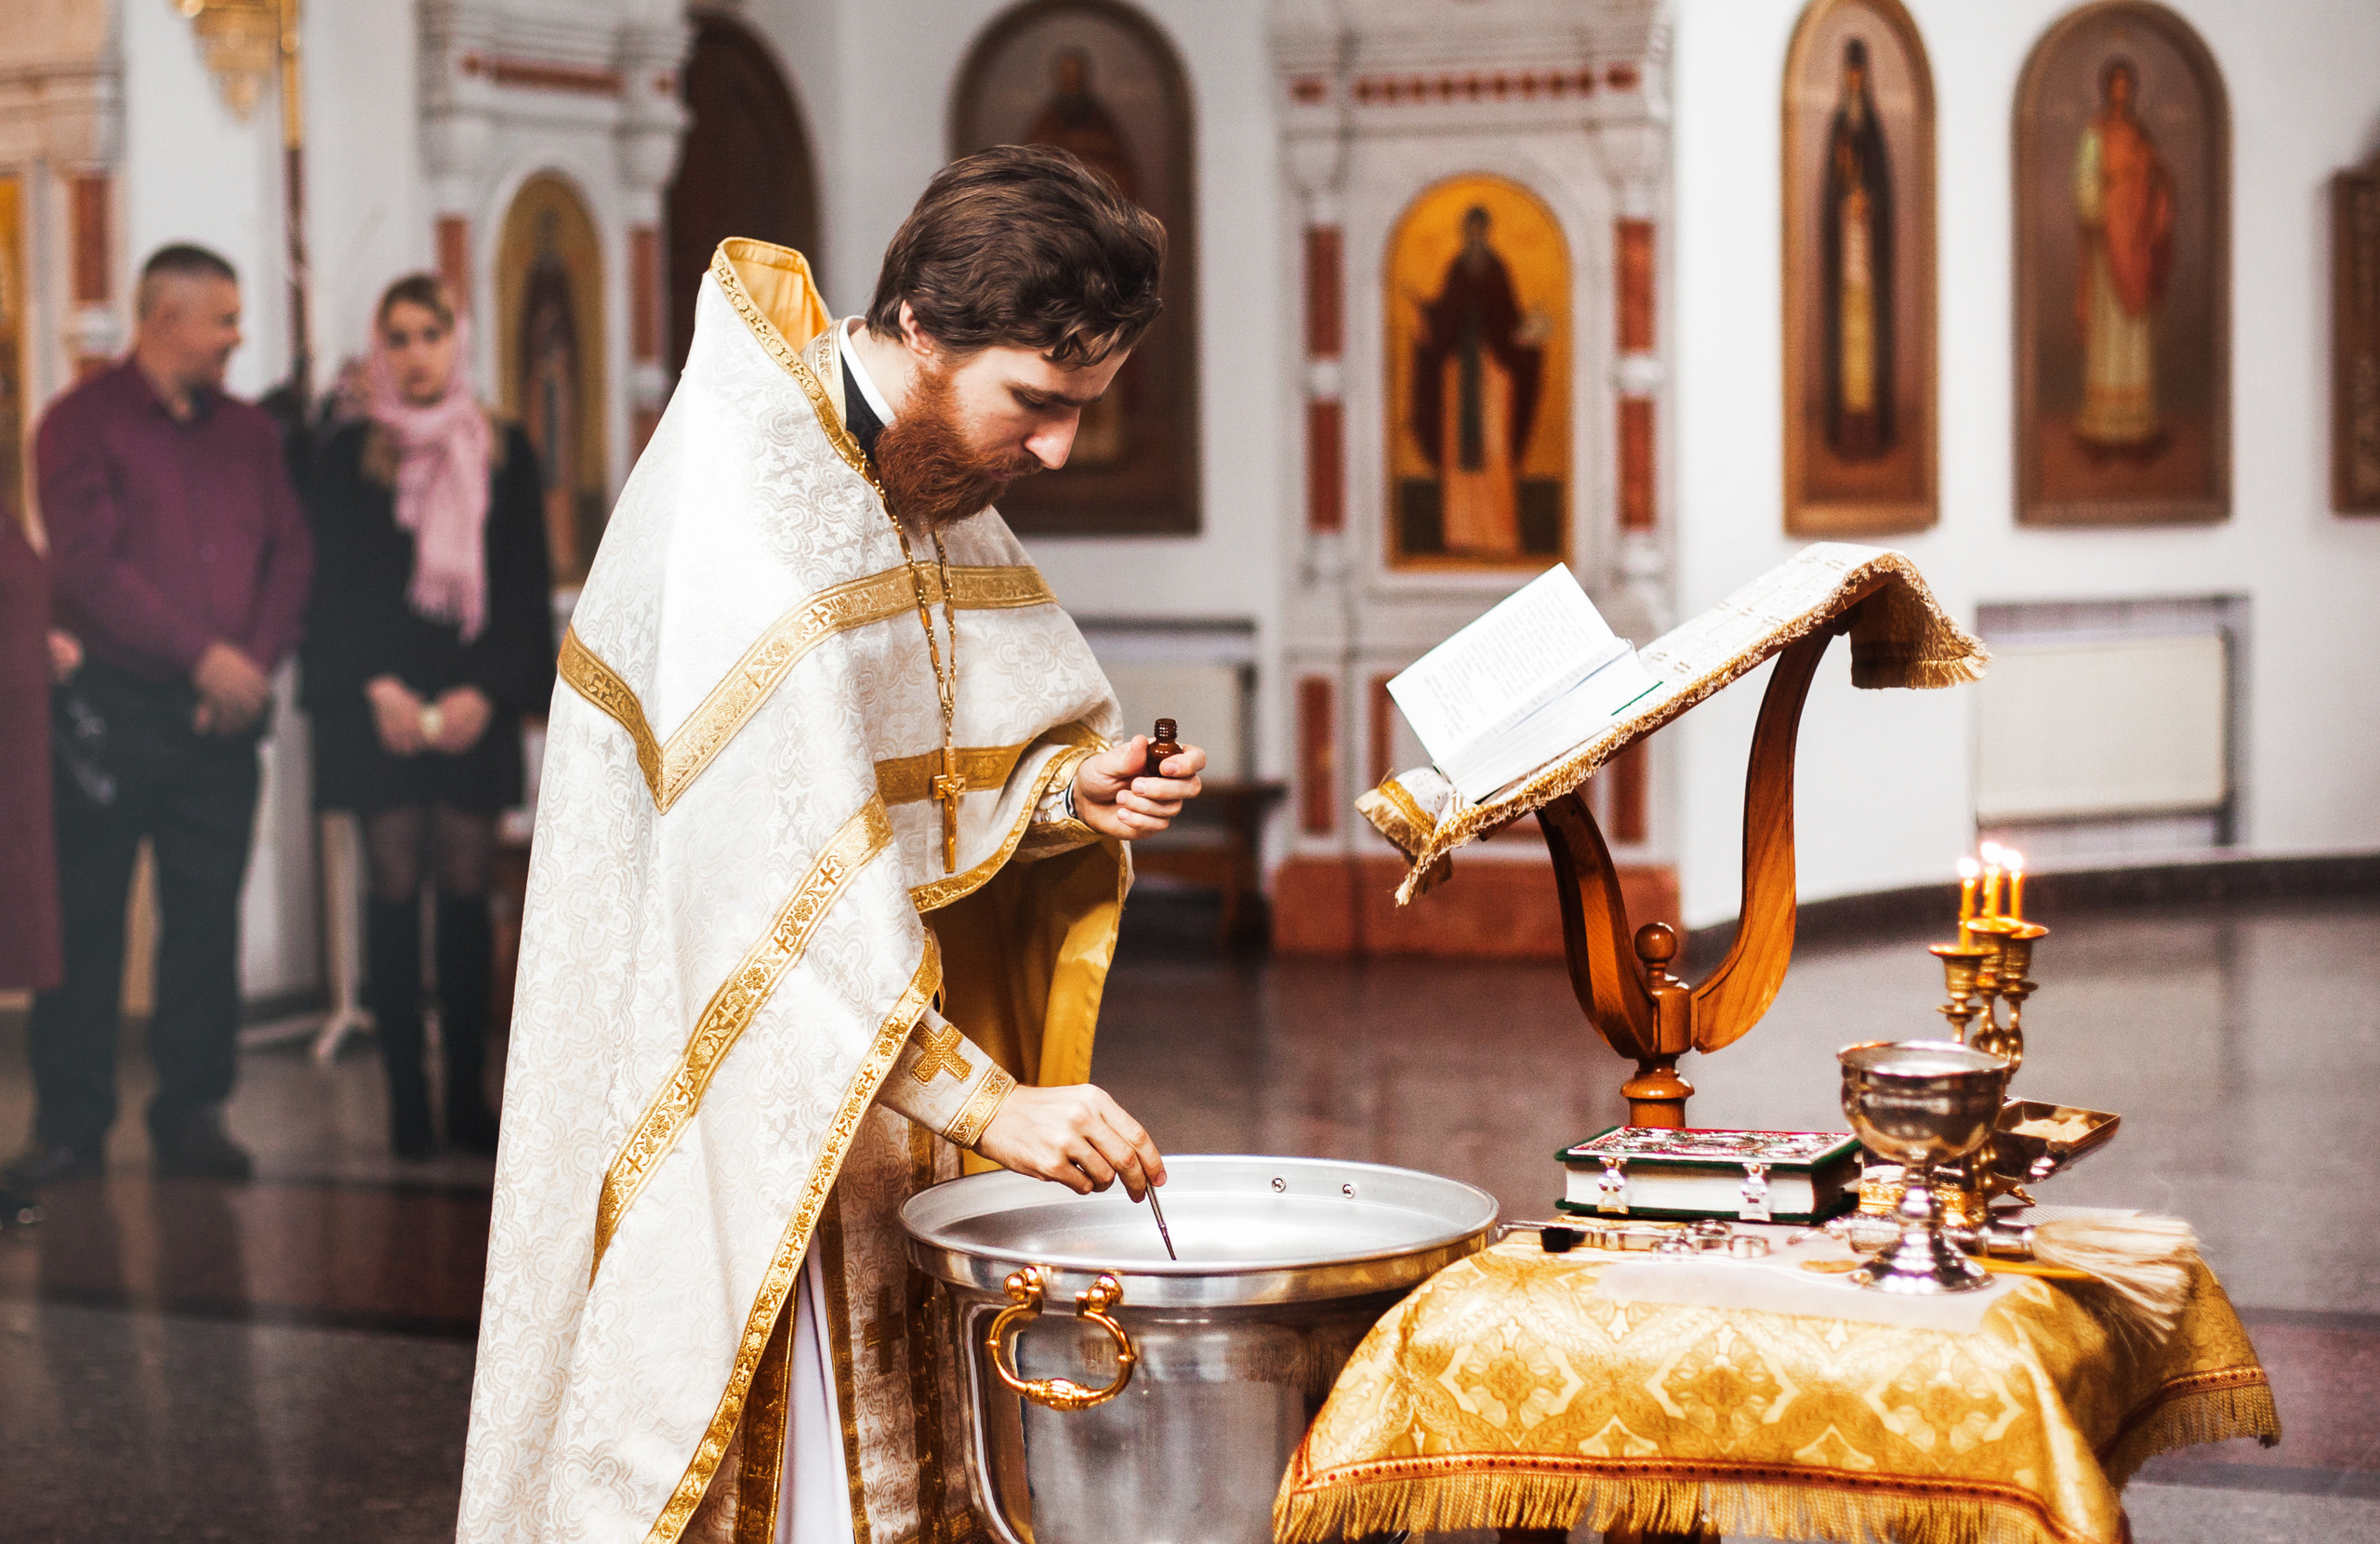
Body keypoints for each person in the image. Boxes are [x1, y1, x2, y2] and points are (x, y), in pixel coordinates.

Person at [460, 145, 1206, 1544]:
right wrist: (991, 1107)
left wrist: (1063, 791)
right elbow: (757, 888)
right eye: (1036, 404)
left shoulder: (917, 471)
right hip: (740, 1077)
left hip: (883, 1060)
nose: (1054, 451)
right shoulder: (746, 502)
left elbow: (920, 755)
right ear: (921, 328)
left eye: (1083, 410)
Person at [6, 244, 312, 1189]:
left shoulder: (251, 432)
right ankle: (70, 1123)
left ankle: (192, 1110)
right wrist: (204, 657)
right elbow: (89, 570)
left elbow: (291, 554)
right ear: (162, 317)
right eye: (221, 317)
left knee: (204, 922)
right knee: (90, 920)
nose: (236, 336)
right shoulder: (75, 424)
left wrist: (250, 667)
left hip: (224, 722)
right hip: (111, 711)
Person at [300, 274, 555, 1159]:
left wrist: (486, 690)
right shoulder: (346, 453)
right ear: (381, 348)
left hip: (470, 702)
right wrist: (378, 686)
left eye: (430, 335)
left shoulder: (503, 450)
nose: (415, 355)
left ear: (460, 339)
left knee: (463, 890)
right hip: (384, 708)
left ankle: (466, 1098)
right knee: (394, 887)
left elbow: (524, 584)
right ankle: (407, 1099)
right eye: (398, 337)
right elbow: (332, 586)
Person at [1410, 205, 1544, 558]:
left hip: (1492, 372)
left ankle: (1498, 536)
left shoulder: (1498, 270)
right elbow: (1445, 314)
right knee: (1460, 453)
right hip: (1458, 372)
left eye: (1479, 230)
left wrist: (1529, 333)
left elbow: (1509, 318)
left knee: (1493, 450)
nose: (1474, 236)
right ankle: (1462, 533)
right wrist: (1428, 314)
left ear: (1486, 231)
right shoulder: (1456, 268)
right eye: (1469, 230)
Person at [2072, 57, 2173, 452]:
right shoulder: (2094, 132)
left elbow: (2156, 179)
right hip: (2107, 237)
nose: (2121, 91)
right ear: (2105, 88)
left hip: (2136, 240)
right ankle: (2103, 425)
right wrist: (2099, 211)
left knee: (2133, 330)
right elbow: (2084, 180)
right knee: (2107, 325)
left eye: (2126, 84)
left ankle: (2135, 424)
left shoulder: (2140, 133)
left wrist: (2153, 191)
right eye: (2114, 84)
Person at [1821, 35, 1895, 459]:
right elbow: (1830, 189)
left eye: (1859, 71)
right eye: (1848, 70)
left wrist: (1870, 200)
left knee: (1871, 340)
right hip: (1844, 250)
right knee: (1845, 341)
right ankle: (1845, 432)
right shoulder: (1837, 125)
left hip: (1869, 250)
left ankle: (1873, 432)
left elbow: (1885, 188)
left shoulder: (1874, 127)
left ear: (1865, 75)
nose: (1854, 77)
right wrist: (1843, 202)